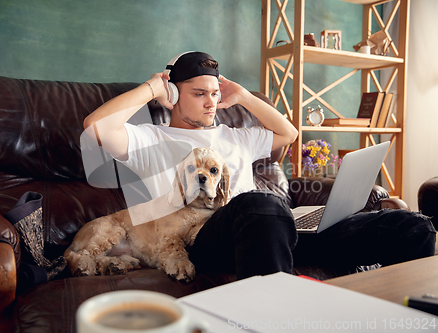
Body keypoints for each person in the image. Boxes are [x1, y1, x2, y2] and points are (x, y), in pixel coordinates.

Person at [84, 51, 436, 280]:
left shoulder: (235, 135)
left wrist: (246, 98)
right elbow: (95, 128)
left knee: (410, 226)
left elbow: (289, 133)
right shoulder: (150, 138)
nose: (211, 102)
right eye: (199, 93)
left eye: (215, 93)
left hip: (275, 228)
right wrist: (151, 88)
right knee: (261, 205)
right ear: (173, 96)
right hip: (208, 235)